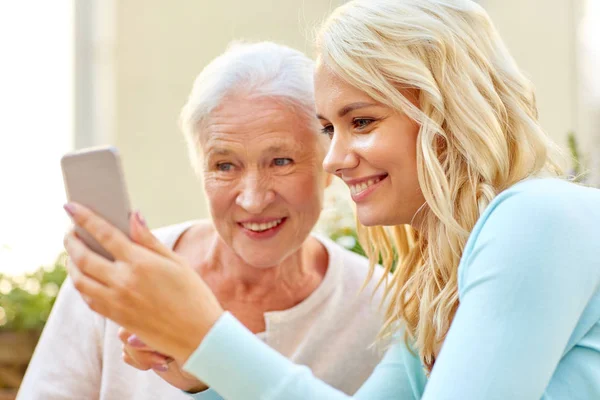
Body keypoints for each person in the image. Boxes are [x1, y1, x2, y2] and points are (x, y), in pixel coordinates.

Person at [61, 0, 600, 399]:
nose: (333, 158)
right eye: (327, 127)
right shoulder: (436, 294)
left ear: (447, 114)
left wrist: (209, 337)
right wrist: (203, 374)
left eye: (361, 122)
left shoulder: (540, 218)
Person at [17, 42, 393, 400]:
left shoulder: (382, 305)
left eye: (281, 161)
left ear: (329, 164)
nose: (253, 198)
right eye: (224, 165)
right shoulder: (119, 279)